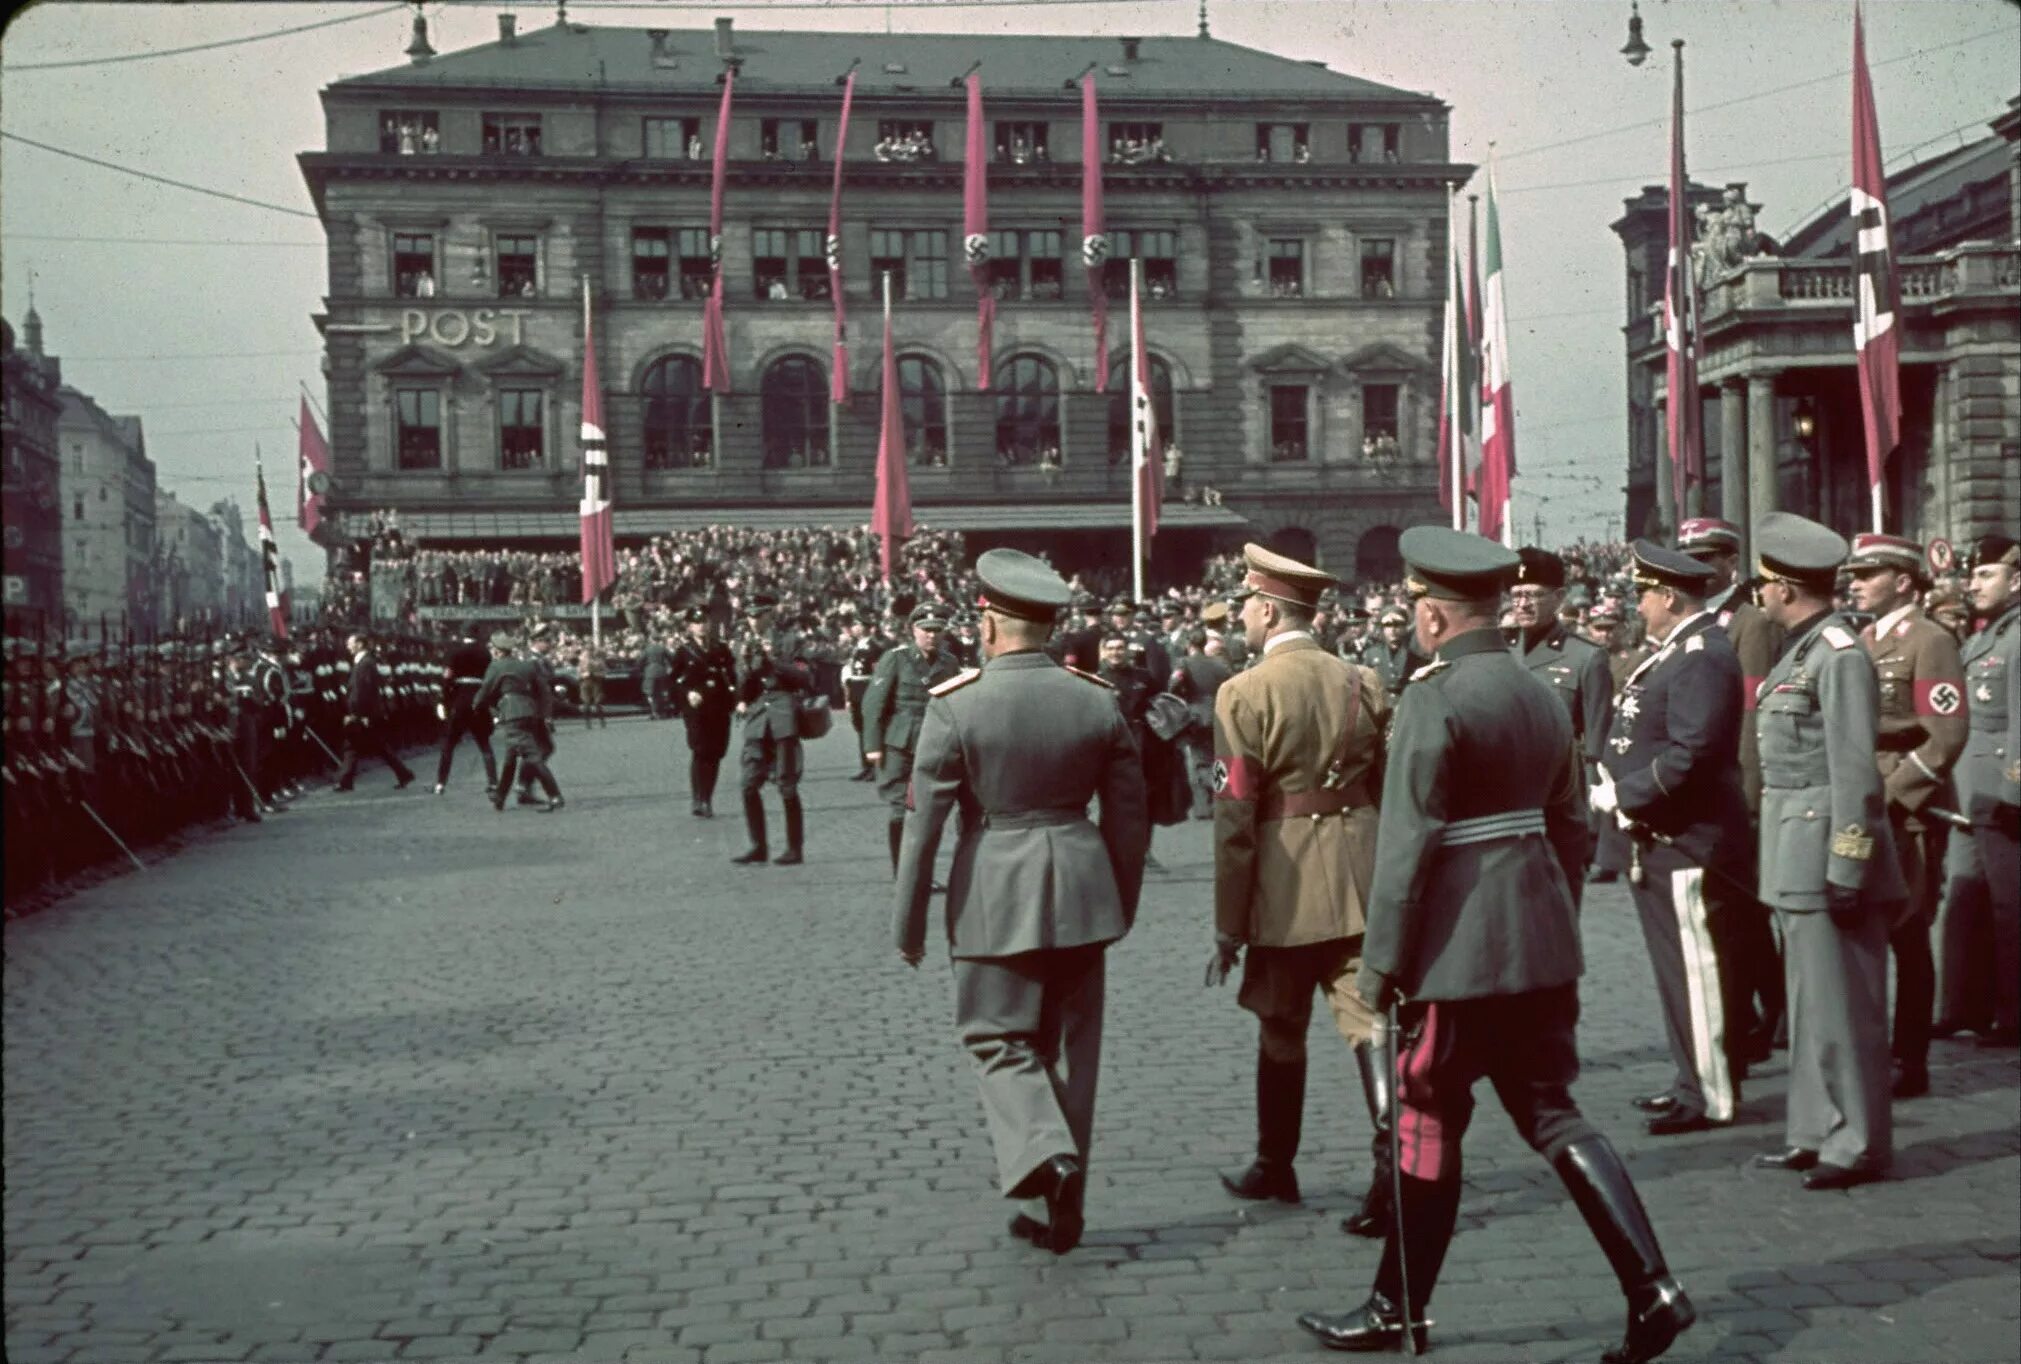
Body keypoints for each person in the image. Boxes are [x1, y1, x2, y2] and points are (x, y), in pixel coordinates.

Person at [1299, 525, 1694, 1364]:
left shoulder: (1432, 697)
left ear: (1434, 617)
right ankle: (1652, 1286)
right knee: (1552, 1112)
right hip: (1538, 937)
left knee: (1422, 1111)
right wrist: (1549, 914)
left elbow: (1407, 847)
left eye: (1415, 611)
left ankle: (1393, 1307)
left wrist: (1379, 966)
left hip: (1458, 948)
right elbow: (1570, 825)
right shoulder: (1538, 689)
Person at [893, 549, 1148, 1255]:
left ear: (989, 623)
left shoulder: (956, 704)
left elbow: (923, 829)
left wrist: (908, 923)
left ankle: (1047, 1157)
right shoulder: (1095, 698)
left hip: (993, 891)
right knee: (1074, 1056)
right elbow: (1130, 817)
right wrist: (1120, 902)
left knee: (994, 1036)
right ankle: (1059, 1213)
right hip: (1084, 886)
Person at [1205, 543, 1393, 1238]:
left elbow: (1233, 818)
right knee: (1371, 1026)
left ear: (1265, 608)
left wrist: (1228, 923)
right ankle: (1394, 1169)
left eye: (1246, 609)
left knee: (1280, 1026)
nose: (1242, 621)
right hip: (1358, 878)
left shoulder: (1242, 692)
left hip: (1283, 888)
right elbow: (1383, 784)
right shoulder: (1361, 679)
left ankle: (1274, 1164)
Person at [1748, 512, 1905, 1190]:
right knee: (1809, 1004)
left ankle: (1859, 1140)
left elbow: (1854, 773)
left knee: (1844, 1009)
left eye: (1761, 585)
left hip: (1824, 852)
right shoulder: (1800, 650)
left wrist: (1848, 862)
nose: (1756, 597)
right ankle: (1814, 1128)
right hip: (1790, 849)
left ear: (1784, 587)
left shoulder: (1837, 654)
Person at [1591, 542, 1749, 1136]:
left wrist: (1628, 795)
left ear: (1669, 596)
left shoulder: (1700, 655)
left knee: (1698, 970)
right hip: (1662, 835)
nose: (1640, 603)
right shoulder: (1673, 652)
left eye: (1644, 593)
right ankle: (1691, 1077)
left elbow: (1694, 753)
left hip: (1689, 837)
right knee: (1675, 970)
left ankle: (1710, 1093)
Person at [1845, 533, 1967, 1095]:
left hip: (1908, 809)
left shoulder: (1931, 641)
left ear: (1903, 580)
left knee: (1909, 932)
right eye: (1854, 574)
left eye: (1868, 573)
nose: (1855, 582)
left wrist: (1892, 793)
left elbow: (1945, 736)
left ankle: (1908, 1059)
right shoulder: (1862, 640)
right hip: (1863, 799)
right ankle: (1872, 1048)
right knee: (1865, 926)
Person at [1679, 517, 1785, 1057]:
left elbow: (1749, 714)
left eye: (1708, 556)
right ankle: (1765, 1014)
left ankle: (1762, 1017)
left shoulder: (1747, 622)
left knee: (1742, 912)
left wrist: (1743, 793)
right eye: (1690, 555)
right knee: (1736, 911)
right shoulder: (1696, 619)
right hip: (1705, 789)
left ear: (1729, 563)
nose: (1698, 565)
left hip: (1735, 788)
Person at [1953, 534, 2020, 1047]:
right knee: (1964, 900)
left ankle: (2011, 1013)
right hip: (1967, 792)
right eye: (1972, 575)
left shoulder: (2017, 637)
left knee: (2008, 907)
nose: (1973, 584)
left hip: (2001, 793)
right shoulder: (1981, 638)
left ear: (2015, 580)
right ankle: (1961, 1005)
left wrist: (2013, 793)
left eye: (1986, 575)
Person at [862, 603, 963, 873]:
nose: (931, 636)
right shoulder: (895, 658)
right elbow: (873, 704)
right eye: (925, 630)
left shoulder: (950, 663)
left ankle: (922, 873)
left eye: (937, 630)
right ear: (913, 630)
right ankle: (902, 874)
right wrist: (872, 746)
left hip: (935, 743)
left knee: (927, 813)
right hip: (899, 744)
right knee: (900, 810)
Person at [733, 593, 812, 865]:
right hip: (758, 718)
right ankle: (758, 845)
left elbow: (805, 676)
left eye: (758, 615)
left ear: (769, 614)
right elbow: (743, 686)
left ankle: (794, 847)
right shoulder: (743, 643)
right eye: (750, 615)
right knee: (748, 784)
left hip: (783, 715)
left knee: (787, 786)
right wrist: (745, 665)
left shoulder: (790, 640)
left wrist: (773, 660)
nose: (753, 621)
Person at [473, 632, 563, 813]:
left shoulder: (496, 667)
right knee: (510, 757)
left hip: (512, 712)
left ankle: (555, 795)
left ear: (498, 651)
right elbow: (543, 691)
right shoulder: (526, 666)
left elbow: (486, 690)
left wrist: (476, 705)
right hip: (530, 711)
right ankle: (500, 796)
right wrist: (545, 714)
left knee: (533, 756)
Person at [670, 608, 737, 818]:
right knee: (700, 751)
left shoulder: (721, 649)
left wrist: (734, 701)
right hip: (696, 710)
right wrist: (687, 693)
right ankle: (698, 799)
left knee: (716, 753)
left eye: (705, 622)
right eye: (697, 623)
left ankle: (707, 797)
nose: (702, 626)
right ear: (690, 627)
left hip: (718, 708)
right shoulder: (683, 652)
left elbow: (731, 677)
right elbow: (673, 681)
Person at [333, 633, 416, 792]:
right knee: (358, 746)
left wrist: (356, 714)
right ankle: (403, 774)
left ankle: (345, 781)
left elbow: (361, 692)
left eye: (350, 643)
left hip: (363, 714)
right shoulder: (365, 662)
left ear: (359, 644)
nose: (347, 646)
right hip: (366, 714)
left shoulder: (365, 664)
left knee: (354, 746)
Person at [1168, 627, 1232, 819]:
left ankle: (1221, 792)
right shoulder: (1219, 665)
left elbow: (1173, 686)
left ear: (1189, 644)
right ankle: (1206, 806)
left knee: (1199, 761)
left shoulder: (1184, 663)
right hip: (1219, 715)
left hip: (1196, 717)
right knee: (1216, 758)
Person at [434, 630, 499, 795]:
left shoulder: (455, 652)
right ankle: (493, 782)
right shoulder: (485, 653)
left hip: (460, 700)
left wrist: (443, 700)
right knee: (484, 744)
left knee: (449, 744)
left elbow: (447, 677)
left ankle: (441, 783)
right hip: (479, 700)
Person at [842, 617, 888, 781]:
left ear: (867, 627)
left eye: (857, 624)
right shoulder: (857, 646)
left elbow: (878, 674)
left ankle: (876, 767)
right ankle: (866, 766)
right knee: (860, 729)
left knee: (871, 729)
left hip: (867, 689)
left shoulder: (874, 647)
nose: (854, 628)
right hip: (856, 690)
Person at [1360, 605, 1425, 699]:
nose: (1393, 630)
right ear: (1382, 628)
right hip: (1380, 703)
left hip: (1406, 702)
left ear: (1405, 627)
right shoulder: (1372, 654)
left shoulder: (1415, 654)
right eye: (1388, 625)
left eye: (1398, 624)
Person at [640, 630, 674, 721]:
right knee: (662, 692)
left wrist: (641, 669)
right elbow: (672, 658)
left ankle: (654, 712)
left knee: (650, 693)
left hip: (650, 672)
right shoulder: (663, 648)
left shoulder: (647, 649)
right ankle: (663, 711)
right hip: (662, 672)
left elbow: (640, 660)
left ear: (651, 639)